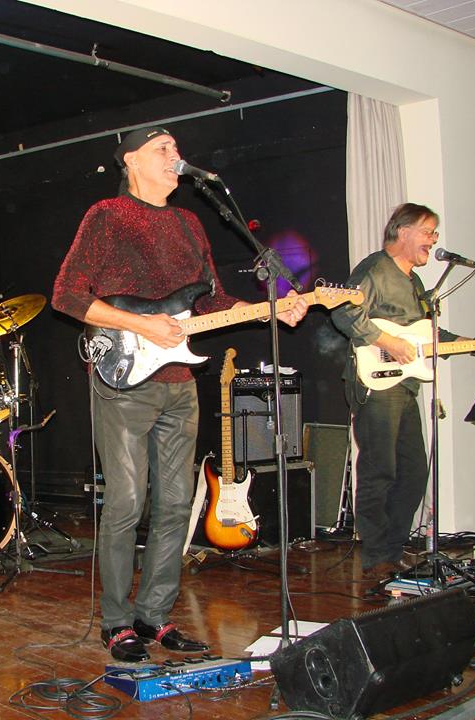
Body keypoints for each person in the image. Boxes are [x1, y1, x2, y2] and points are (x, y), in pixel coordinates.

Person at [52, 127, 307, 662]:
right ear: (130, 160)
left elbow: (211, 302)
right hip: (124, 381)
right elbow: (67, 296)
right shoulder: (107, 216)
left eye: (176, 148)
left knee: (175, 505)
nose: (175, 156)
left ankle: (154, 615)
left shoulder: (190, 223)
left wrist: (271, 308)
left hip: (180, 384)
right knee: (126, 503)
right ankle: (116, 622)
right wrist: (141, 325)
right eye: (162, 148)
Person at [331, 203, 475, 578]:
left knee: (412, 473)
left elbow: (429, 335)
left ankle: (393, 549)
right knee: (380, 469)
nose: (434, 239)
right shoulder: (375, 270)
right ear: (403, 230)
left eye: (435, 233)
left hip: (404, 384)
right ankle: (376, 556)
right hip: (377, 383)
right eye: (428, 231)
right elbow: (342, 311)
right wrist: (387, 342)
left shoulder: (415, 284)